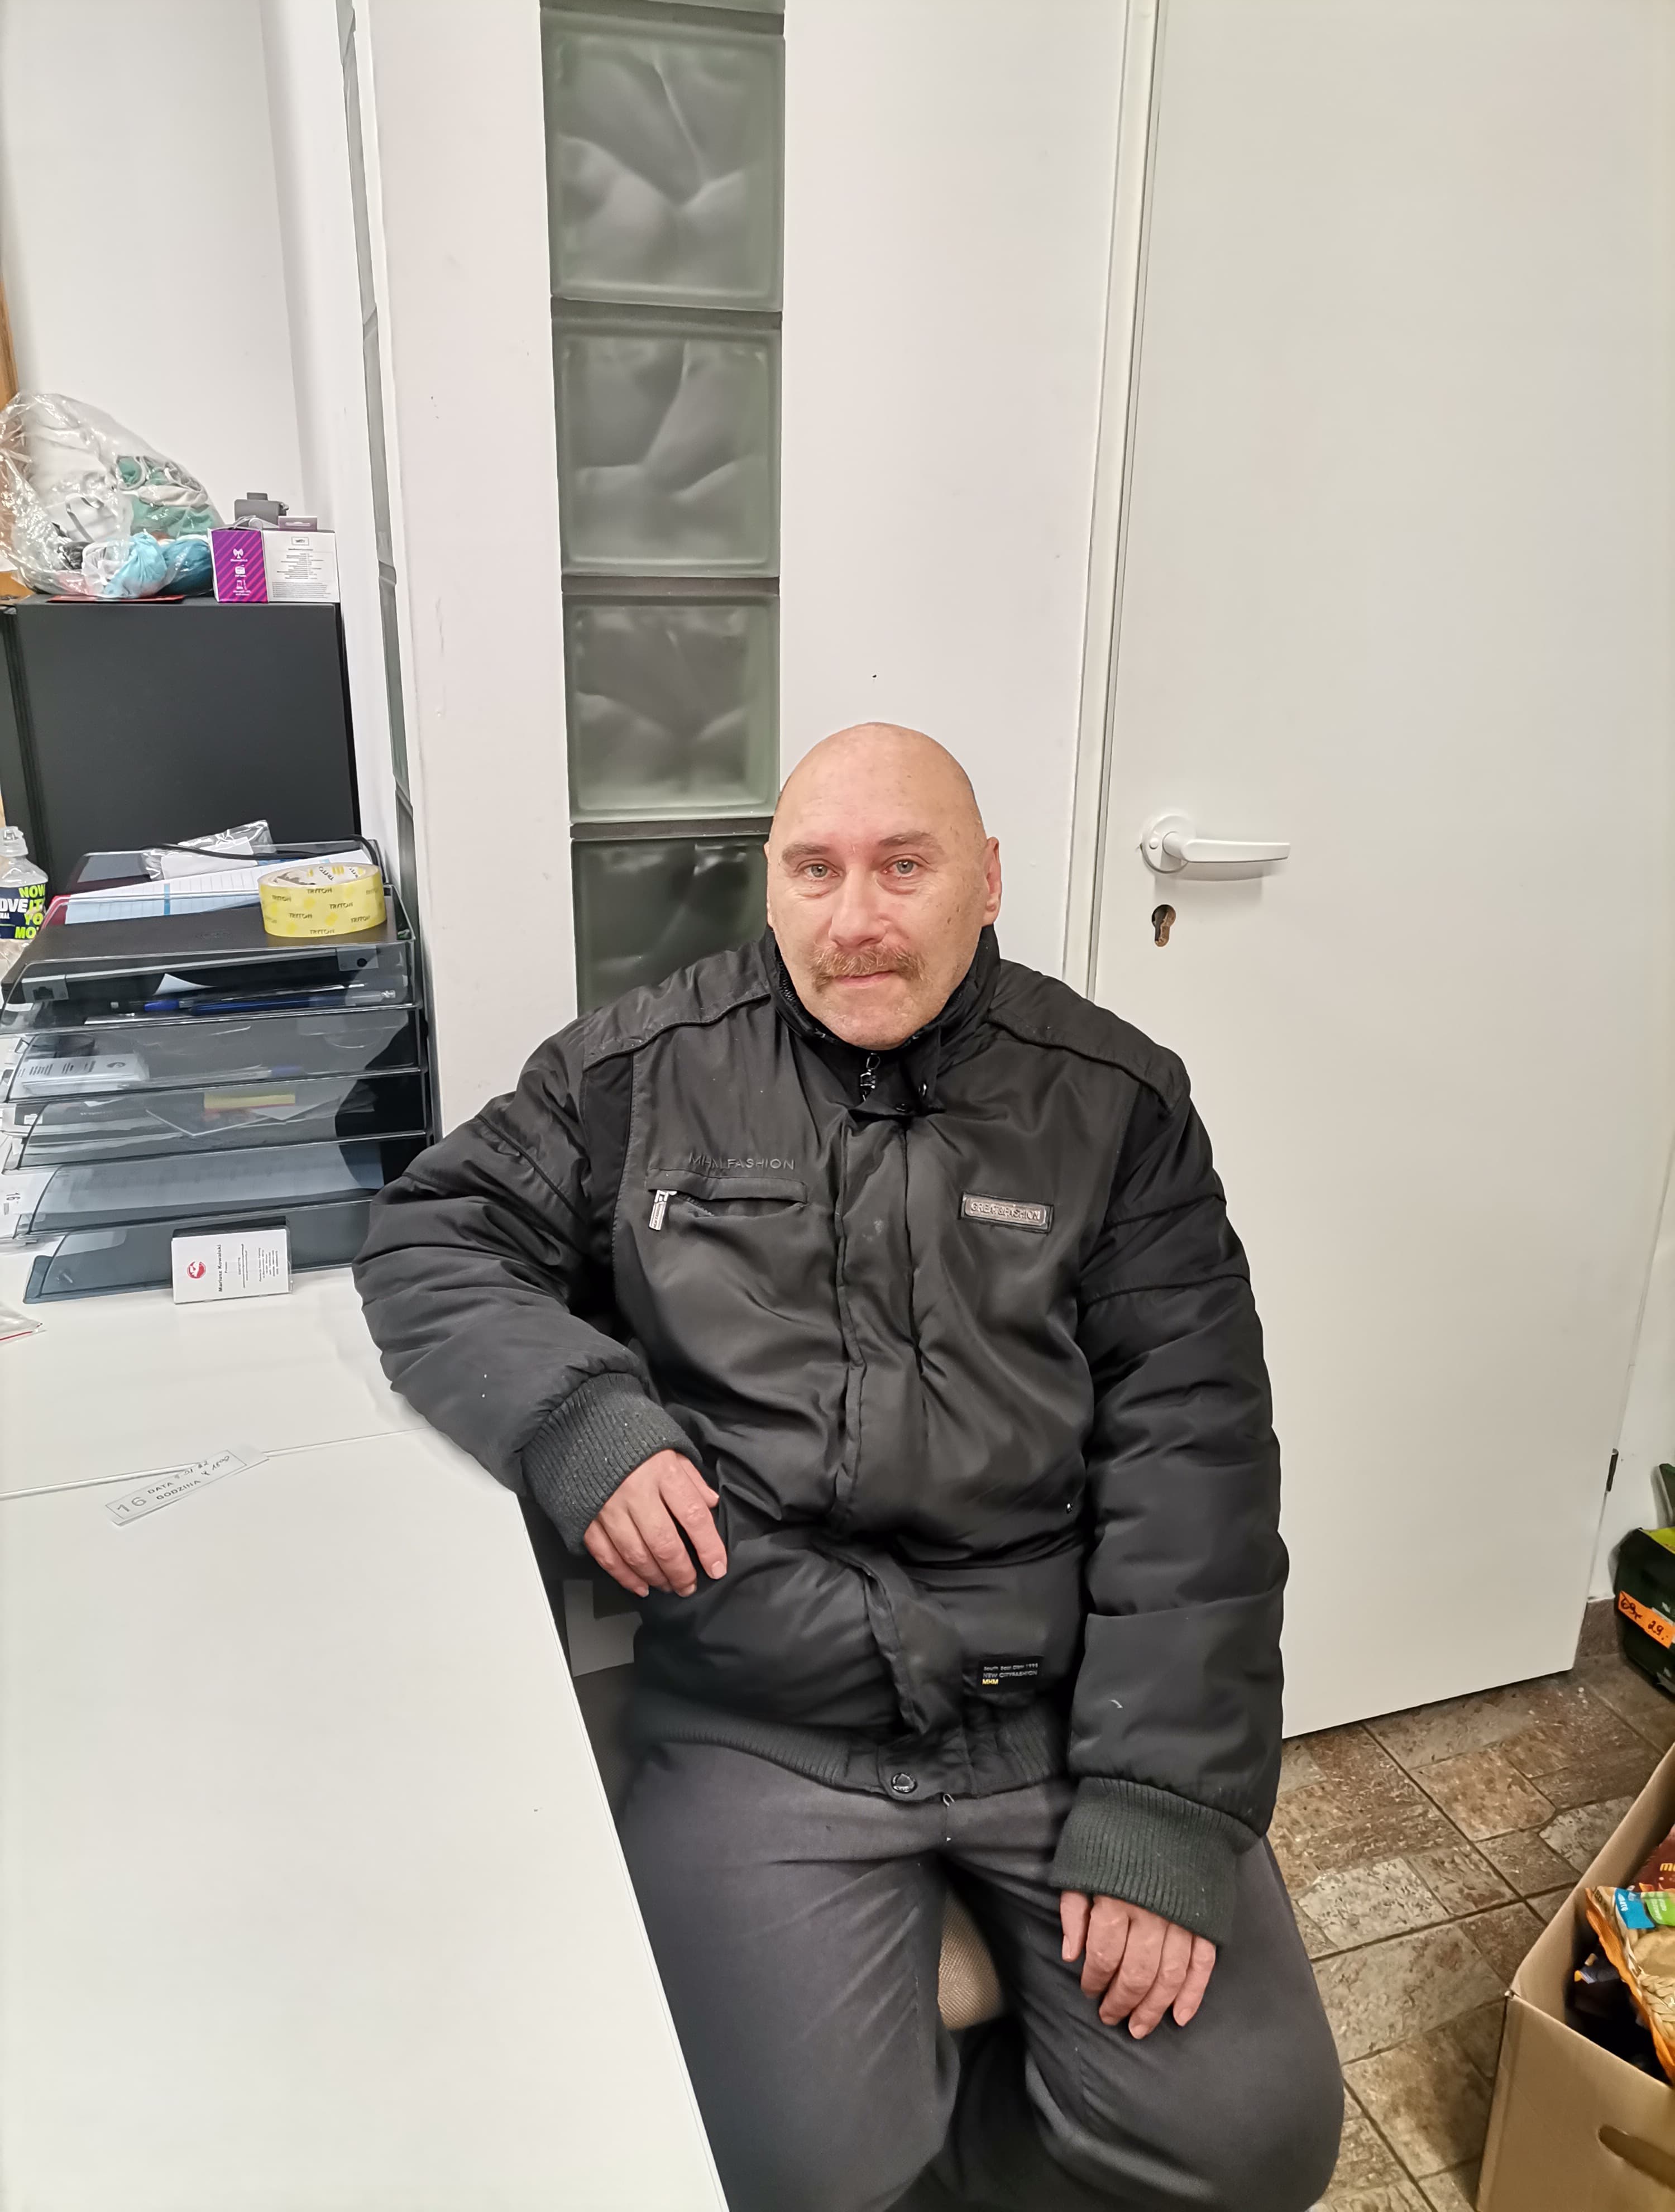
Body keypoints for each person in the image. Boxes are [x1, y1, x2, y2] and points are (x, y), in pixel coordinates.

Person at [353, 724, 1343, 2212]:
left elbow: (1196, 1452)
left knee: (1254, 2139)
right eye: (814, 870)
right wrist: (582, 1421)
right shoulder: (640, 1071)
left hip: (1056, 1711)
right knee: (785, 2168)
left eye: (904, 866)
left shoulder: (1116, 1103)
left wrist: (1163, 1800)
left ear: (988, 879)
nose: (855, 918)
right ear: (770, 884)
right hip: (763, 1715)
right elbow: (435, 1235)